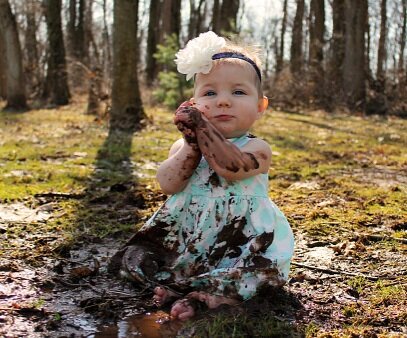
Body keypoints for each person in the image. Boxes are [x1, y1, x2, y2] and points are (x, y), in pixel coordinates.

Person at [108, 31, 295, 321]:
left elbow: (229, 168)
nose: (223, 101)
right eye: (210, 93)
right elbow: (169, 183)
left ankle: (209, 295)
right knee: (139, 257)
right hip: (187, 238)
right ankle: (175, 287)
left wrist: (202, 131)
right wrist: (191, 144)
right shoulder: (184, 147)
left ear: (260, 107)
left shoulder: (258, 148)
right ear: (193, 102)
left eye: (238, 92)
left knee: (255, 272)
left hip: (240, 241)